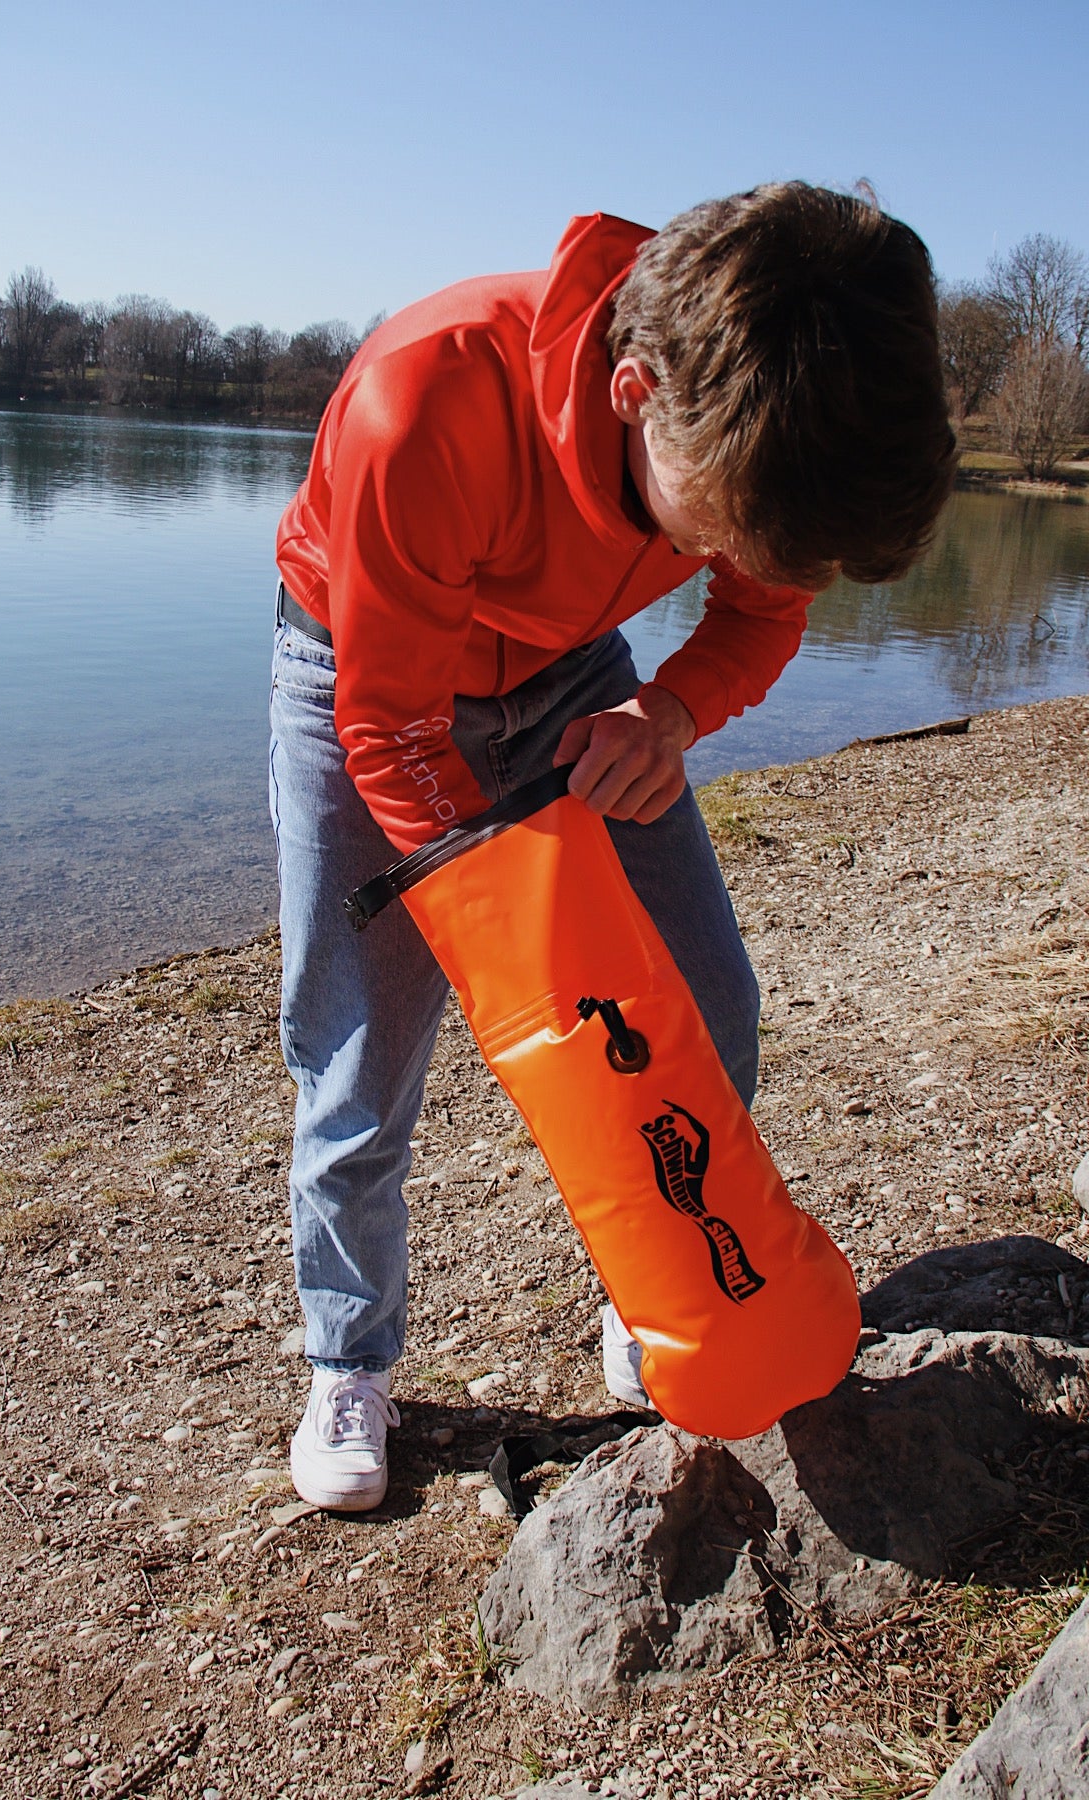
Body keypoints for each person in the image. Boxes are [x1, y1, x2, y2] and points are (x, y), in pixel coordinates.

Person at [268, 182, 955, 1511]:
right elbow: (393, 722)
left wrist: (670, 711)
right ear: (635, 389)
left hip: (578, 683)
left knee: (710, 1004)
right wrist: (511, 947)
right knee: (362, 1060)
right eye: (728, 532)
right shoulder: (427, 400)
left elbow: (762, 610)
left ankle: (665, 1294)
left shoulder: (764, 424)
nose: (746, 562)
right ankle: (347, 1360)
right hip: (363, 683)